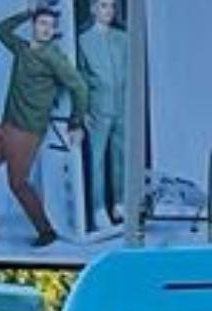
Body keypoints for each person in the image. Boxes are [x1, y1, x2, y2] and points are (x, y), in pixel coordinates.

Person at [0, 6, 89, 250]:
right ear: (34, 26)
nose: (46, 29)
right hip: (6, 125)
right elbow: (0, 30)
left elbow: (80, 87)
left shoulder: (54, 58)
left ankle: (46, 231)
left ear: (55, 30)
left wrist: (75, 121)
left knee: (17, 183)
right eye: (41, 24)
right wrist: (25, 14)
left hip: (27, 131)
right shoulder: (22, 48)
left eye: (51, 26)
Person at [79, 0, 128, 227]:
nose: (108, 11)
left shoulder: (123, 39)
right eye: (103, 5)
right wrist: (83, 111)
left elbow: (130, 75)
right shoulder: (83, 41)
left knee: (121, 157)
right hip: (98, 109)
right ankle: (98, 209)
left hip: (123, 108)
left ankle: (120, 203)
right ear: (93, 9)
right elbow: (80, 80)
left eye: (111, 6)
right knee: (97, 160)